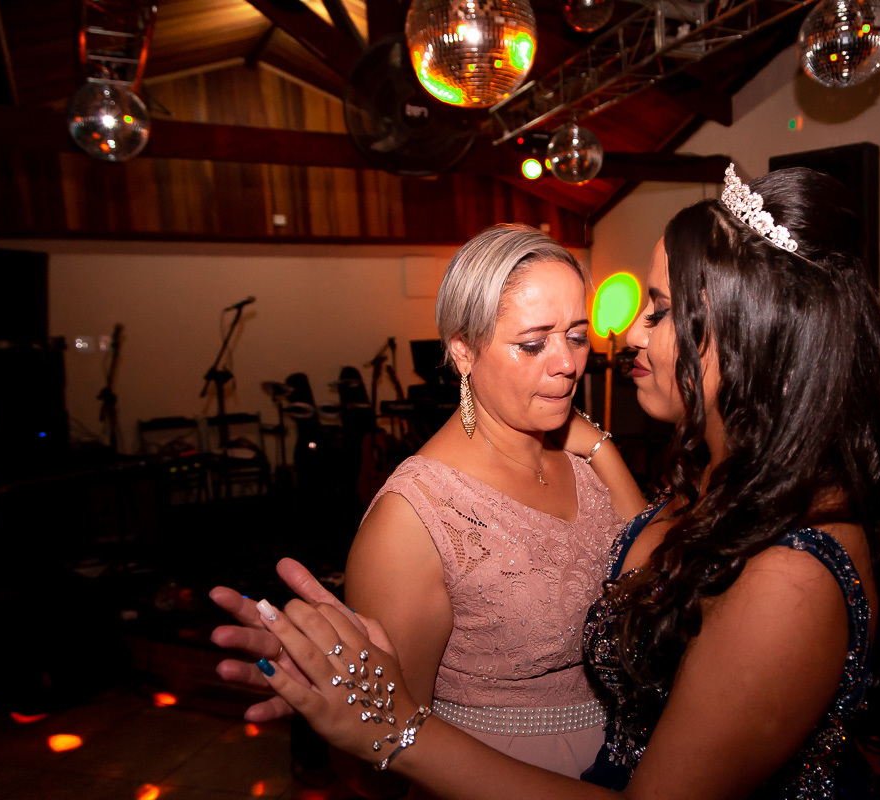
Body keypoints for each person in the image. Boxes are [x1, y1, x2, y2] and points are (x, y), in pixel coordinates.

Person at [246, 165, 880, 799]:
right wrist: (366, 718)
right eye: (533, 341)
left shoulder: (789, 567)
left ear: (747, 338)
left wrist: (398, 731)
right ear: (462, 349)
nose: (606, 345)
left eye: (657, 311)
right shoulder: (735, 485)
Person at [211, 223, 647, 782]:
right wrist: (346, 704)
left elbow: (652, 580)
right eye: (533, 343)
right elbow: (377, 764)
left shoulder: (583, 458)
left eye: (578, 336)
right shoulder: (416, 518)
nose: (566, 363)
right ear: (463, 352)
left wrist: (603, 449)